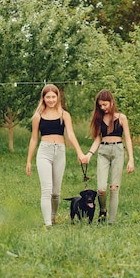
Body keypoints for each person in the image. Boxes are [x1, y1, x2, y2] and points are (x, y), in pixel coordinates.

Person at [26, 84, 86, 227]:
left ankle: (53, 217)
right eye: (48, 97)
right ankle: (48, 224)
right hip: (44, 152)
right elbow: (34, 138)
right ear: (43, 98)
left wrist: (79, 152)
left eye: (53, 97)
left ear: (58, 97)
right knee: (46, 189)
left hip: (60, 151)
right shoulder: (37, 116)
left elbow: (70, 134)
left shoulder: (64, 114)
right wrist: (29, 161)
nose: (51, 100)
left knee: (56, 192)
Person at [82, 89, 134, 224]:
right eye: (100, 105)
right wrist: (89, 154)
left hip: (118, 151)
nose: (102, 108)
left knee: (114, 187)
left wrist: (131, 159)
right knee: (101, 189)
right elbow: (97, 139)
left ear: (111, 102)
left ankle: (111, 222)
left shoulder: (121, 118)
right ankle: (103, 210)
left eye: (105, 104)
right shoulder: (100, 119)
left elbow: (127, 139)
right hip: (103, 151)